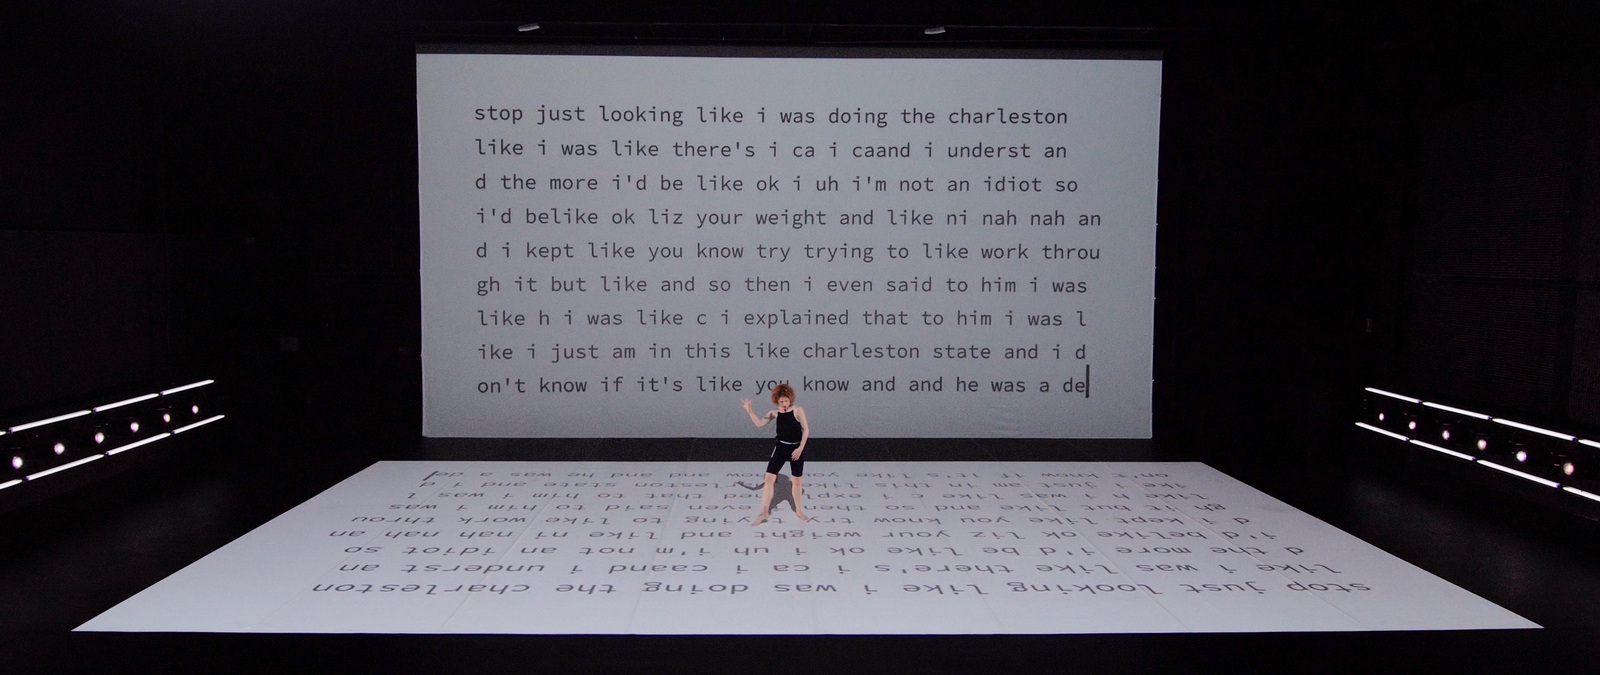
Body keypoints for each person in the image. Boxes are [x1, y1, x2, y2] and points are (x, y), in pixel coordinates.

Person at [740, 383, 809, 525]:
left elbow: (806, 430)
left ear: (790, 399)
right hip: (780, 448)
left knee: (797, 481)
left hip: (796, 449)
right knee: (769, 479)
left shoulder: (798, 410)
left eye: (786, 401)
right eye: (781, 401)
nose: (784, 404)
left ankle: (798, 510)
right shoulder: (774, 413)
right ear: (777, 401)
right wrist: (749, 411)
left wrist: (800, 448)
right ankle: (764, 511)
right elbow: (760, 424)